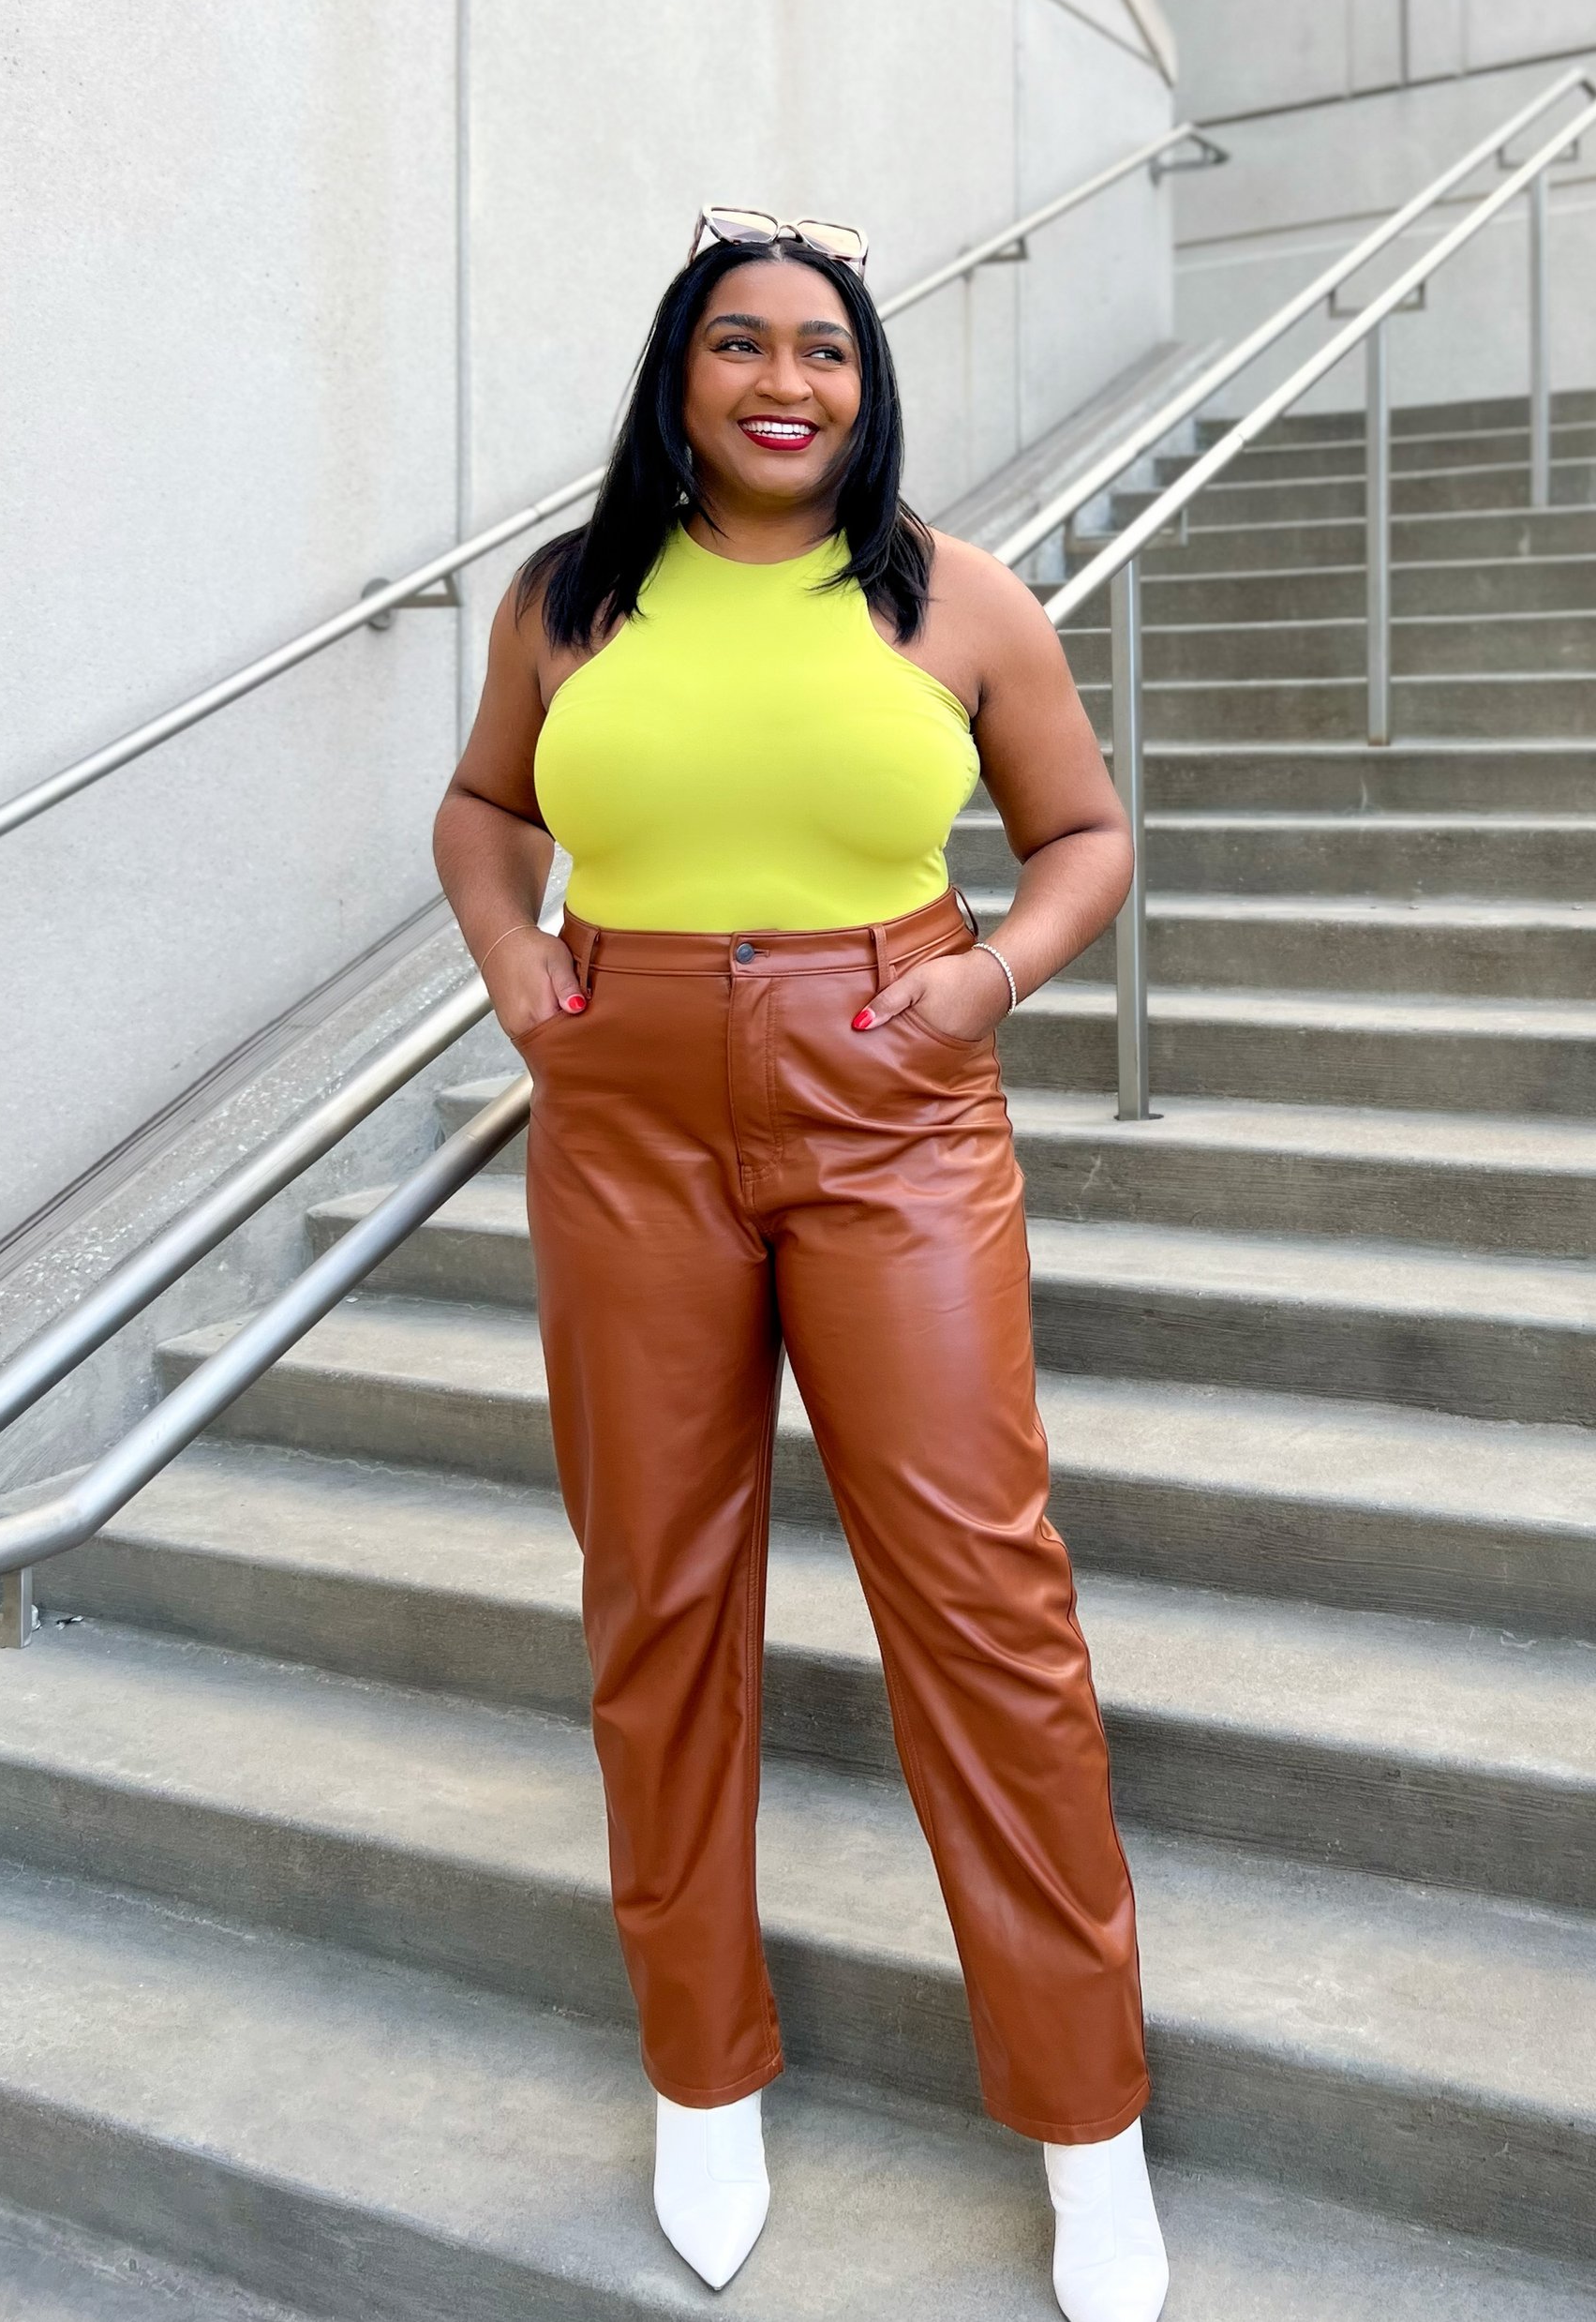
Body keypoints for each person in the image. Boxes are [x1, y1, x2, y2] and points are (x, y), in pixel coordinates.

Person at [433, 208, 1168, 2321]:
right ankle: (698, 2065)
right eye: (739, 343)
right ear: (679, 373)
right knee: (655, 1583)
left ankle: (1085, 2115)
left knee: (977, 1589)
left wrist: (992, 984)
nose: (784, 379)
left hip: (891, 1093)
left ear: (865, 382)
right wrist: (509, 957)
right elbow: (484, 809)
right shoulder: (570, 603)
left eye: (821, 349)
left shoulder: (957, 600)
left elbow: (1085, 835)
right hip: (625, 1106)